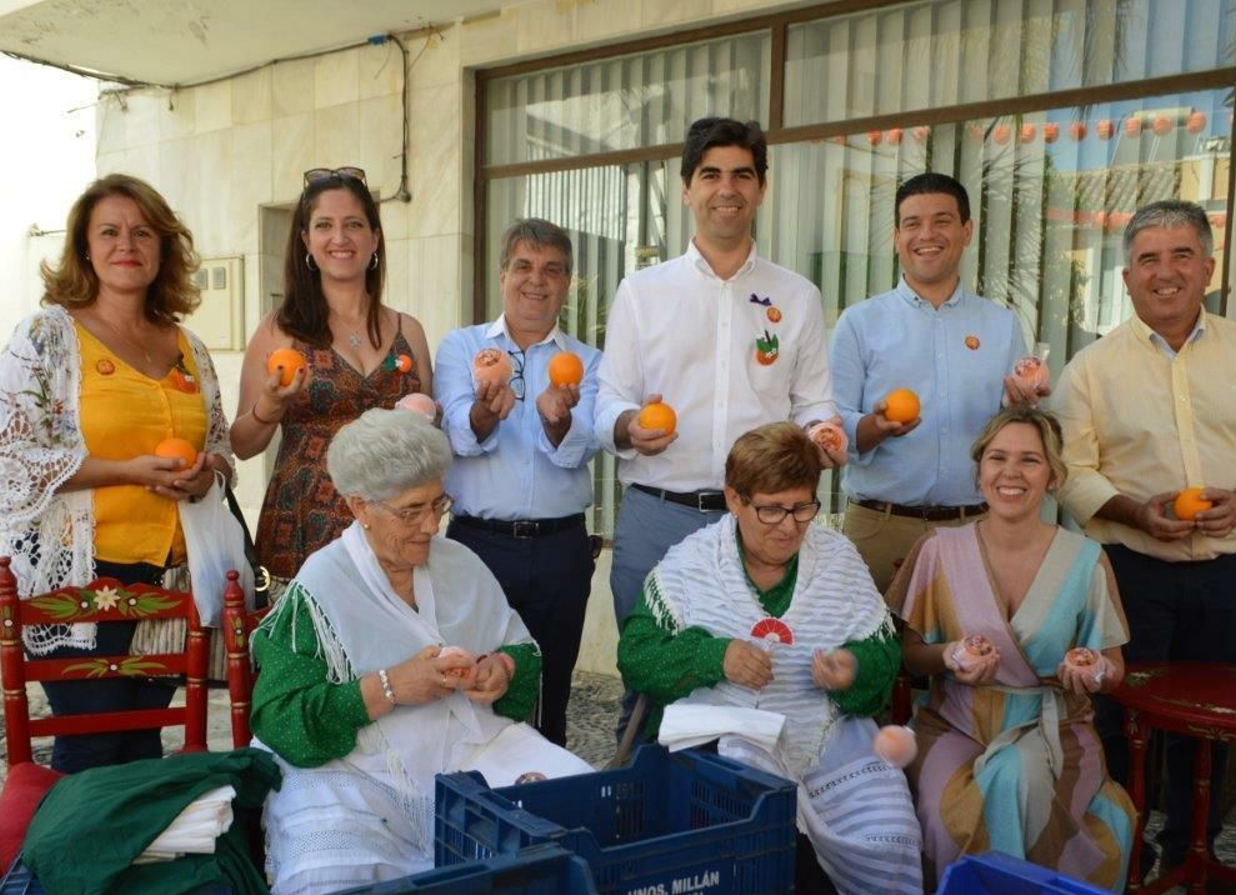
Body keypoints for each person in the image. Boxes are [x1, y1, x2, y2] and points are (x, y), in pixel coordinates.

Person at [248, 409, 591, 895]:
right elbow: (282, 719)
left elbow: (524, 652)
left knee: (574, 803)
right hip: (353, 763)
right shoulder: (321, 585)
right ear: (359, 508)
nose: (431, 526)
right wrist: (388, 688)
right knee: (333, 873)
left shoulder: (461, 564)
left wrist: (502, 670)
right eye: (411, 511)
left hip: (467, 749)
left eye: (438, 504)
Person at [1054, 199, 1236, 895]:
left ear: (1207, 266)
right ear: (1128, 274)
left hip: (1229, 568)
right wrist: (1137, 511)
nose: (1164, 273)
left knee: (1214, 719)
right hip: (1132, 569)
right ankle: (1122, 849)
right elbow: (1073, 471)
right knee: (1121, 718)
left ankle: (1195, 851)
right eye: (1147, 259)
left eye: (1179, 256)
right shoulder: (1090, 369)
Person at [0, 174, 233, 774]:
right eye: (110, 232)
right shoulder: (47, 337)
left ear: (163, 248)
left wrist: (204, 475)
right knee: (90, 743)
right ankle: (73, 866)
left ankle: (134, 866)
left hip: (170, 577)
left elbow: (219, 445)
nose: (127, 244)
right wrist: (125, 471)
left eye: (143, 232)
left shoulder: (188, 346)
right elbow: (1, 457)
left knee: (143, 741)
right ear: (85, 248)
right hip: (82, 577)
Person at [617, 423, 916, 895]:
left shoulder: (837, 561)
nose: (788, 527)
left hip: (825, 739)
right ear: (735, 499)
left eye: (802, 508)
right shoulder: (691, 565)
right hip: (724, 736)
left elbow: (885, 651)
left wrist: (855, 666)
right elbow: (637, 655)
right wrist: (715, 656)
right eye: (772, 509)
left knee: (890, 828)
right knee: (746, 778)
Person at [596, 117, 839, 740]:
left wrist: (823, 433)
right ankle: (642, 818)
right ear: (686, 188)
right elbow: (608, 402)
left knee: (761, 682)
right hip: (658, 516)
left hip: (759, 523)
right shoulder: (642, 291)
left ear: (761, 189)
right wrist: (628, 427)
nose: (725, 189)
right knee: (651, 689)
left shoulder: (798, 296)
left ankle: (742, 822)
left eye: (741, 175)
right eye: (710, 174)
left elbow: (813, 403)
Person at [888, 408, 1136, 891]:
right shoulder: (938, 548)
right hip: (956, 723)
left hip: (1052, 729)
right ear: (979, 469)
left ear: (1053, 476)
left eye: (1030, 460)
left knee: (1019, 777)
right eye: (998, 457)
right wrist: (948, 656)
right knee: (942, 818)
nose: (1011, 472)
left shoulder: (1086, 560)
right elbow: (908, 651)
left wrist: (1093, 671)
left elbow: (1116, 669)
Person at [434, 219, 601, 748]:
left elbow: (583, 446)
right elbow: (458, 433)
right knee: (470, 684)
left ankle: (545, 801)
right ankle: (474, 803)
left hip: (561, 549)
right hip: (477, 545)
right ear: (503, 274)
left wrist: (559, 419)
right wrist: (486, 413)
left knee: (550, 690)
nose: (537, 280)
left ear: (567, 282)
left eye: (552, 270)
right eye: (524, 266)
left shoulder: (589, 362)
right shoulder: (463, 348)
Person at [831, 172, 1033, 594]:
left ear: (966, 231)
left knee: (973, 653)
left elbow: (1015, 430)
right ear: (896, 236)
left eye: (942, 221)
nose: (927, 234)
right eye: (912, 223)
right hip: (879, 528)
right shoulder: (859, 323)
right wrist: (877, 426)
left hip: (976, 526)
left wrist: (1025, 409)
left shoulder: (1000, 324)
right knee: (872, 655)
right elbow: (834, 427)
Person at [232, 166, 434, 582]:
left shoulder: (407, 330)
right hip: (304, 526)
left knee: (399, 646)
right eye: (324, 225)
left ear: (375, 238)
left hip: (392, 529)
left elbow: (428, 440)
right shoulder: (279, 329)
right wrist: (269, 408)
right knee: (307, 646)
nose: (340, 238)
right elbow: (242, 444)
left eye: (354, 225)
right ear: (306, 240)